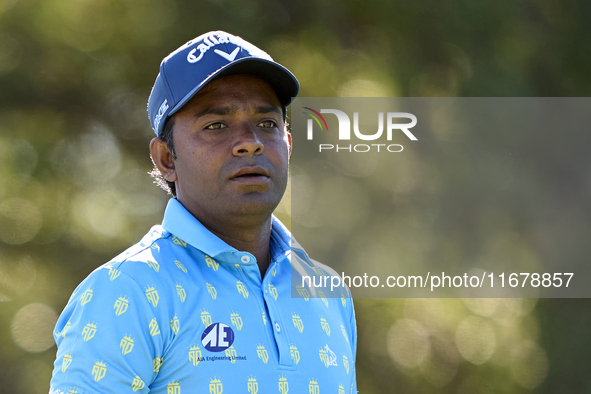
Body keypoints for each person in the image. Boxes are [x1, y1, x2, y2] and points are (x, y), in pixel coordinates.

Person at [49, 30, 357, 394]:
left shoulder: (327, 291)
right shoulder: (126, 290)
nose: (250, 143)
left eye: (267, 124)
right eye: (216, 125)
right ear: (166, 159)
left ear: (287, 145)